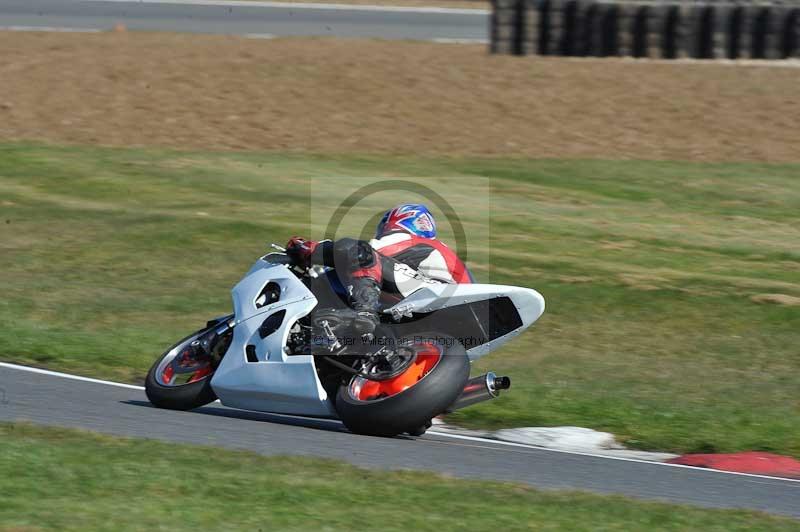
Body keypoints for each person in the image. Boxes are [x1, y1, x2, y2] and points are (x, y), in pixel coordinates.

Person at [285, 203, 473, 335]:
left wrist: (309, 249)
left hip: (435, 296)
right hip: (452, 316)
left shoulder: (410, 239)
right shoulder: (436, 251)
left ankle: (365, 311)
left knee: (360, 252)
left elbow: (360, 252)